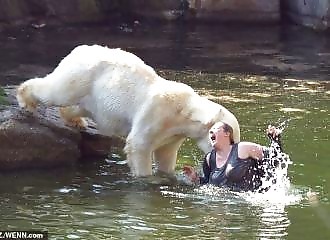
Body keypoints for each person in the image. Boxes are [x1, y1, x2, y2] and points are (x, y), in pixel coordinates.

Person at [183, 121, 283, 192]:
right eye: (210, 131)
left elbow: (275, 157)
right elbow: (207, 184)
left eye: (215, 129)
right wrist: (195, 178)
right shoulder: (209, 159)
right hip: (224, 206)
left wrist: (275, 140)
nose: (211, 132)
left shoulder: (243, 148)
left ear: (227, 133)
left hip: (251, 203)